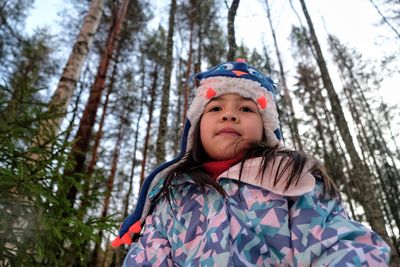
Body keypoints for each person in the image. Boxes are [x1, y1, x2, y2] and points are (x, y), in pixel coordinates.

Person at [112, 59, 390, 266]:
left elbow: (339, 245)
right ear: (195, 128)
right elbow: (147, 257)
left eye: (245, 108)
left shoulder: (290, 180)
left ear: (266, 128)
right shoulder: (171, 198)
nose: (229, 115)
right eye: (216, 108)